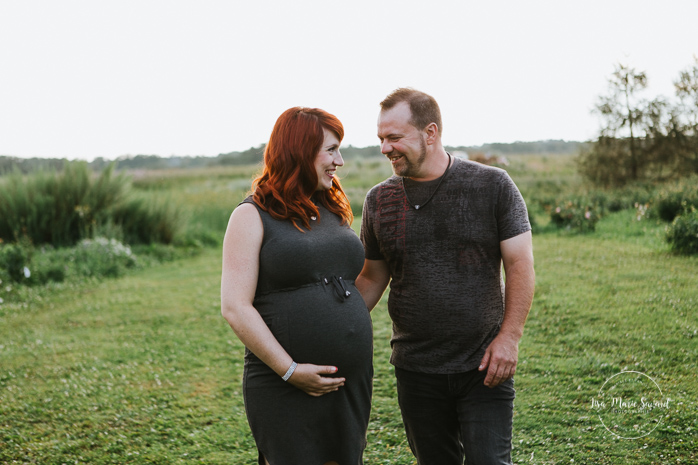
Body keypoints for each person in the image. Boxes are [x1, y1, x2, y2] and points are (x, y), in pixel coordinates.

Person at [356, 88, 535, 465]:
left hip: (484, 364)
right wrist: (331, 326)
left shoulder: (493, 185)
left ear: (430, 133)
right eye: (381, 139)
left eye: (394, 138)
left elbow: (519, 264)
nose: (385, 148)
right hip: (415, 369)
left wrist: (510, 338)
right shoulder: (378, 200)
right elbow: (372, 278)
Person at [220, 107, 373, 465]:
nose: (340, 160)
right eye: (331, 150)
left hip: (348, 382)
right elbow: (235, 306)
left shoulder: (331, 207)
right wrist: (290, 370)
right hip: (282, 382)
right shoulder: (251, 215)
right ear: (300, 151)